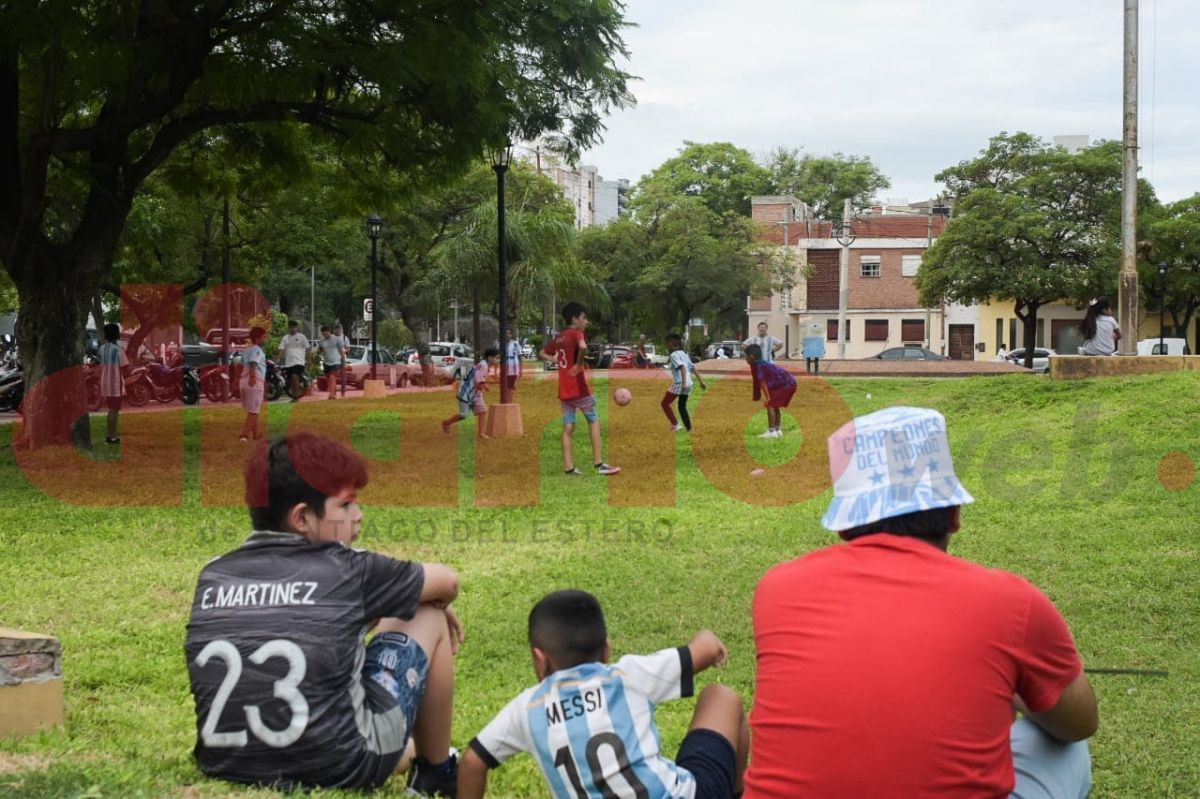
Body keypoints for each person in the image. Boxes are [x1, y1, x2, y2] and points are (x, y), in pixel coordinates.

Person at [746, 406, 1097, 798]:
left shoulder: (776, 589)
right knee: (1069, 751)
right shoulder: (1011, 602)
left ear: (844, 525)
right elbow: (1079, 723)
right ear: (954, 515)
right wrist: (1014, 687)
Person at [184, 433, 464, 794]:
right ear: (302, 517)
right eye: (346, 505)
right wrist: (431, 600)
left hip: (226, 763)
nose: (359, 516)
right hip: (341, 766)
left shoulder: (213, 572)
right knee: (427, 614)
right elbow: (448, 581)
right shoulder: (350, 571)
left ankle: (409, 752)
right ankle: (437, 772)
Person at [458, 589, 749, 799]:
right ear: (607, 650)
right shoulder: (628, 676)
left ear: (540, 659)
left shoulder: (527, 708)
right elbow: (706, 649)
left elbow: (472, 761)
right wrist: (704, 637)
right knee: (720, 696)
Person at [542, 302, 620, 476]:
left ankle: (569, 467)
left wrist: (557, 362)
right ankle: (599, 463)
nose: (586, 321)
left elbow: (542, 353)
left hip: (564, 391)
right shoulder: (577, 333)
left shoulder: (560, 337)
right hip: (578, 389)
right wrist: (578, 365)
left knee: (568, 427)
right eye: (584, 318)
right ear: (574, 319)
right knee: (593, 421)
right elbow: (583, 347)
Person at [442, 347, 500, 439]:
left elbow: (480, 380)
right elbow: (479, 383)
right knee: (464, 415)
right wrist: (488, 385)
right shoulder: (483, 366)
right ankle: (446, 423)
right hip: (465, 393)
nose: (498, 360)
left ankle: (481, 433)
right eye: (497, 358)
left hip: (475, 394)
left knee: (482, 411)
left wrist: (485, 385)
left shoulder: (485, 366)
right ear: (489, 358)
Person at [743, 343, 795, 439]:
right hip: (789, 383)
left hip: (786, 384)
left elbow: (762, 382)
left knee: (770, 404)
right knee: (774, 405)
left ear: (752, 357)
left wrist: (768, 398)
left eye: (746, 356)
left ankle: (772, 431)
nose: (745, 359)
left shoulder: (759, 366)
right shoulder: (760, 364)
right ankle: (777, 430)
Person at [662, 332, 707, 432]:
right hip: (689, 383)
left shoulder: (673, 355)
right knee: (682, 406)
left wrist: (683, 384)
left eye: (667, 343)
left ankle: (676, 425)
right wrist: (701, 381)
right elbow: (692, 367)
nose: (667, 345)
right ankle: (689, 428)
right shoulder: (684, 354)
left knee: (664, 403)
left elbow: (682, 367)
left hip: (680, 383)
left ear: (670, 343)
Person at [98, 323, 128, 445]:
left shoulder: (102, 349)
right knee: (114, 410)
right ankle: (112, 437)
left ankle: (109, 435)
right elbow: (125, 366)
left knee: (111, 409)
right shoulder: (119, 350)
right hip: (115, 383)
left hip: (105, 383)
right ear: (117, 335)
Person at [238, 326, 268, 443]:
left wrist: (236, 380)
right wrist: (252, 377)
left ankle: (257, 435)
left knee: (254, 410)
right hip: (254, 383)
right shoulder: (257, 350)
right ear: (257, 339)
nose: (265, 340)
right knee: (254, 412)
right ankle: (244, 435)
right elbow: (253, 363)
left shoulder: (247, 350)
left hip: (243, 382)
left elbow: (240, 365)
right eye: (263, 338)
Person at [278, 320, 310, 402]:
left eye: (294, 327)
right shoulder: (285, 338)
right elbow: (281, 349)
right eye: (290, 327)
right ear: (288, 328)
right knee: (291, 380)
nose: (292, 329)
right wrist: (279, 359)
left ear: (297, 328)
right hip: (288, 363)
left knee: (295, 376)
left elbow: (308, 349)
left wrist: (309, 360)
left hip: (299, 361)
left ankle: (297, 395)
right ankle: (294, 396)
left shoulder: (302, 337)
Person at [318, 325, 348, 400]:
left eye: (326, 334)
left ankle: (331, 395)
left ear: (329, 332)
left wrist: (344, 362)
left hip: (336, 362)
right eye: (323, 334)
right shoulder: (322, 341)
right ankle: (333, 393)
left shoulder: (337, 339)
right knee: (328, 379)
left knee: (332, 377)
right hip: (326, 362)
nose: (324, 336)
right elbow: (320, 351)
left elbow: (342, 352)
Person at [504, 329, 522, 393]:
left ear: (511, 335)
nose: (507, 335)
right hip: (506, 365)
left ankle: (511, 395)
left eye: (509, 333)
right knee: (506, 384)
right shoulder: (502, 344)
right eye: (506, 333)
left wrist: (521, 368)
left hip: (514, 364)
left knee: (513, 384)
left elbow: (519, 355)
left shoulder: (515, 343)